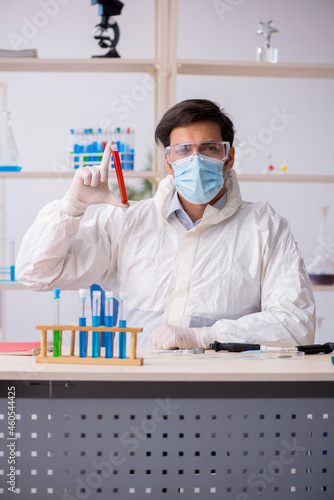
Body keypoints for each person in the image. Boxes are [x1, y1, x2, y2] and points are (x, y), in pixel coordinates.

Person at [16, 99, 315, 349]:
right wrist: (72, 207)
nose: (195, 161)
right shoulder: (127, 221)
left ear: (229, 156)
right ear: (168, 162)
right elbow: (36, 274)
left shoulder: (266, 227)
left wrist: (205, 337)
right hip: (135, 388)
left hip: (225, 389)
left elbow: (296, 324)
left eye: (209, 148)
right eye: (183, 151)